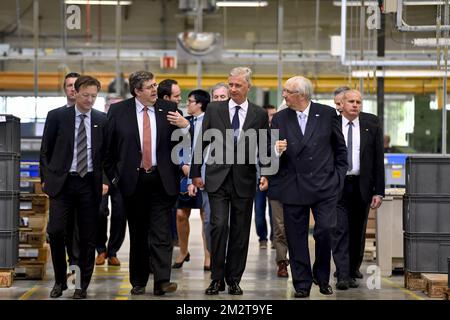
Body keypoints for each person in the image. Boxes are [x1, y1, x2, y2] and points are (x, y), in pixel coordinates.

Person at [104, 71, 189, 296]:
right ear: (137, 91)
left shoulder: (169, 109)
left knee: (161, 233)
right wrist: (115, 179)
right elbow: (108, 150)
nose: (155, 90)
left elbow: (184, 145)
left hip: (162, 181)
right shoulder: (118, 111)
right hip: (133, 181)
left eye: (155, 85)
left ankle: (162, 281)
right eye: (150, 87)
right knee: (139, 233)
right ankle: (139, 281)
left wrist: (185, 126)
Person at [191, 66, 270, 296]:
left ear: (248, 87)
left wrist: (266, 172)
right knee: (218, 226)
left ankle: (234, 279)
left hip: (244, 180)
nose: (233, 89)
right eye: (230, 85)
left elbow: (264, 146)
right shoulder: (215, 110)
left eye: (237, 85)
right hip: (217, 178)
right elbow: (201, 142)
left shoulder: (259, 114)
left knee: (240, 231)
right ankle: (216, 279)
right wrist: (196, 173)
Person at [272, 76, 347, 298]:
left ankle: (322, 276)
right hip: (293, 186)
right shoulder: (279, 118)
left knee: (325, 231)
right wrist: (275, 149)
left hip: (325, 187)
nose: (283, 95)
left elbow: (340, 150)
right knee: (296, 238)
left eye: (287, 91)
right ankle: (302, 283)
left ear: (301, 95)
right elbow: (267, 153)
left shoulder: (326, 114)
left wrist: (338, 179)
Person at [40, 75, 108, 299]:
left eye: (94, 96)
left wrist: (106, 181)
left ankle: (81, 284)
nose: (90, 100)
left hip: (89, 184)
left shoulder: (102, 119)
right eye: (86, 95)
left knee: (87, 237)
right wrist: (45, 179)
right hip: (63, 183)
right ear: (75, 93)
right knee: (56, 232)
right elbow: (45, 151)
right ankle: (60, 280)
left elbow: (108, 155)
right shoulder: (57, 117)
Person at [332, 89, 385, 290]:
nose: (355, 105)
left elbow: (378, 159)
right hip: (338, 186)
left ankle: (353, 268)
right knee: (340, 231)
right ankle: (343, 275)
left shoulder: (371, 123)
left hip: (362, 186)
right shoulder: (332, 124)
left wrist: (378, 191)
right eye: (351, 102)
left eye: (359, 102)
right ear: (342, 104)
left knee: (357, 232)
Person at [172, 89, 211, 271]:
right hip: (185, 173)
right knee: (181, 214)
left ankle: (208, 255)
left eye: (190, 101)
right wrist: (183, 164)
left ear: (200, 104)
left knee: (206, 216)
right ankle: (183, 251)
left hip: (203, 174)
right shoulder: (184, 123)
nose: (187, 104)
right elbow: (178, 145)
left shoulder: (210, 123)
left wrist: (198, 171)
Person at [95, 95, 126, 267]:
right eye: (110, 106)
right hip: (102, 177)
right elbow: (98, 156)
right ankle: (100, 250)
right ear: (106, 107)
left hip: (121, 178)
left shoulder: (128, 126)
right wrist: (104, 180)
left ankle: (113, 251)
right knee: (100, 212)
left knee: (120, 215)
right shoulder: (100, 125)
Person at [266, 105, 290, 278]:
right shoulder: (271, 131)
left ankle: (297, 262)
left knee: (295, 227)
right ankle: (282, 262)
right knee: (279, 227)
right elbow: (264, 154)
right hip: (277, 183)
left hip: (301, 185)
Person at [157, 79, 182, 246]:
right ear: (166, 98)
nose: (180, 99)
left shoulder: (177, 116)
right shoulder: (152, 115)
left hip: (172, 175)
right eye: (177, 95)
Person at [254, 105, 276, 249]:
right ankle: (262, 238)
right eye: (269, 115)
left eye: (274, 114)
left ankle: (274, 238)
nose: (272, 118)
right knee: (259, 211)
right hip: (258, 177)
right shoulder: (255, 133)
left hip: (275, 178)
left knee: (275, 211)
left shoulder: (278, 132)